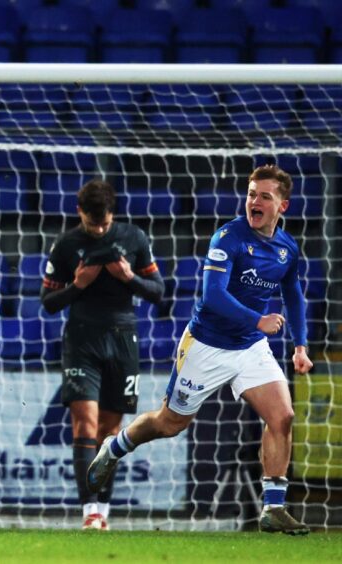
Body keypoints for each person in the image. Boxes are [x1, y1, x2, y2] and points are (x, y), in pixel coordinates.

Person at [87, 165, 312, 536]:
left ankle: (273, 507)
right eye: (251, 193)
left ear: (282, 206)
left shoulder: (288, 249)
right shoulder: (229, 237)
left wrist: (300, 345)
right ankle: (115, 447)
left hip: (250, 347)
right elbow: (213, 295)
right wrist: (258, 321)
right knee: (170, 423)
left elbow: (294, 295)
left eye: (264, 196)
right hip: (206, 344)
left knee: (283, 416)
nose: (254, 201)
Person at [41, 179, 164, 530]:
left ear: (112, 216)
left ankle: (104, 513)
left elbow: (158, 292)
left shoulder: (134, 238)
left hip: (123, 338)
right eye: (93, 223)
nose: (99, 229)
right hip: (82, 339)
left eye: (104, 224)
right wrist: (77, 285)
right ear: (80, 212)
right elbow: (48, 302)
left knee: (111, 432)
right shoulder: (66, 245)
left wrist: (128, 277)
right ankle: (88, 510)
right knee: (84, 425)